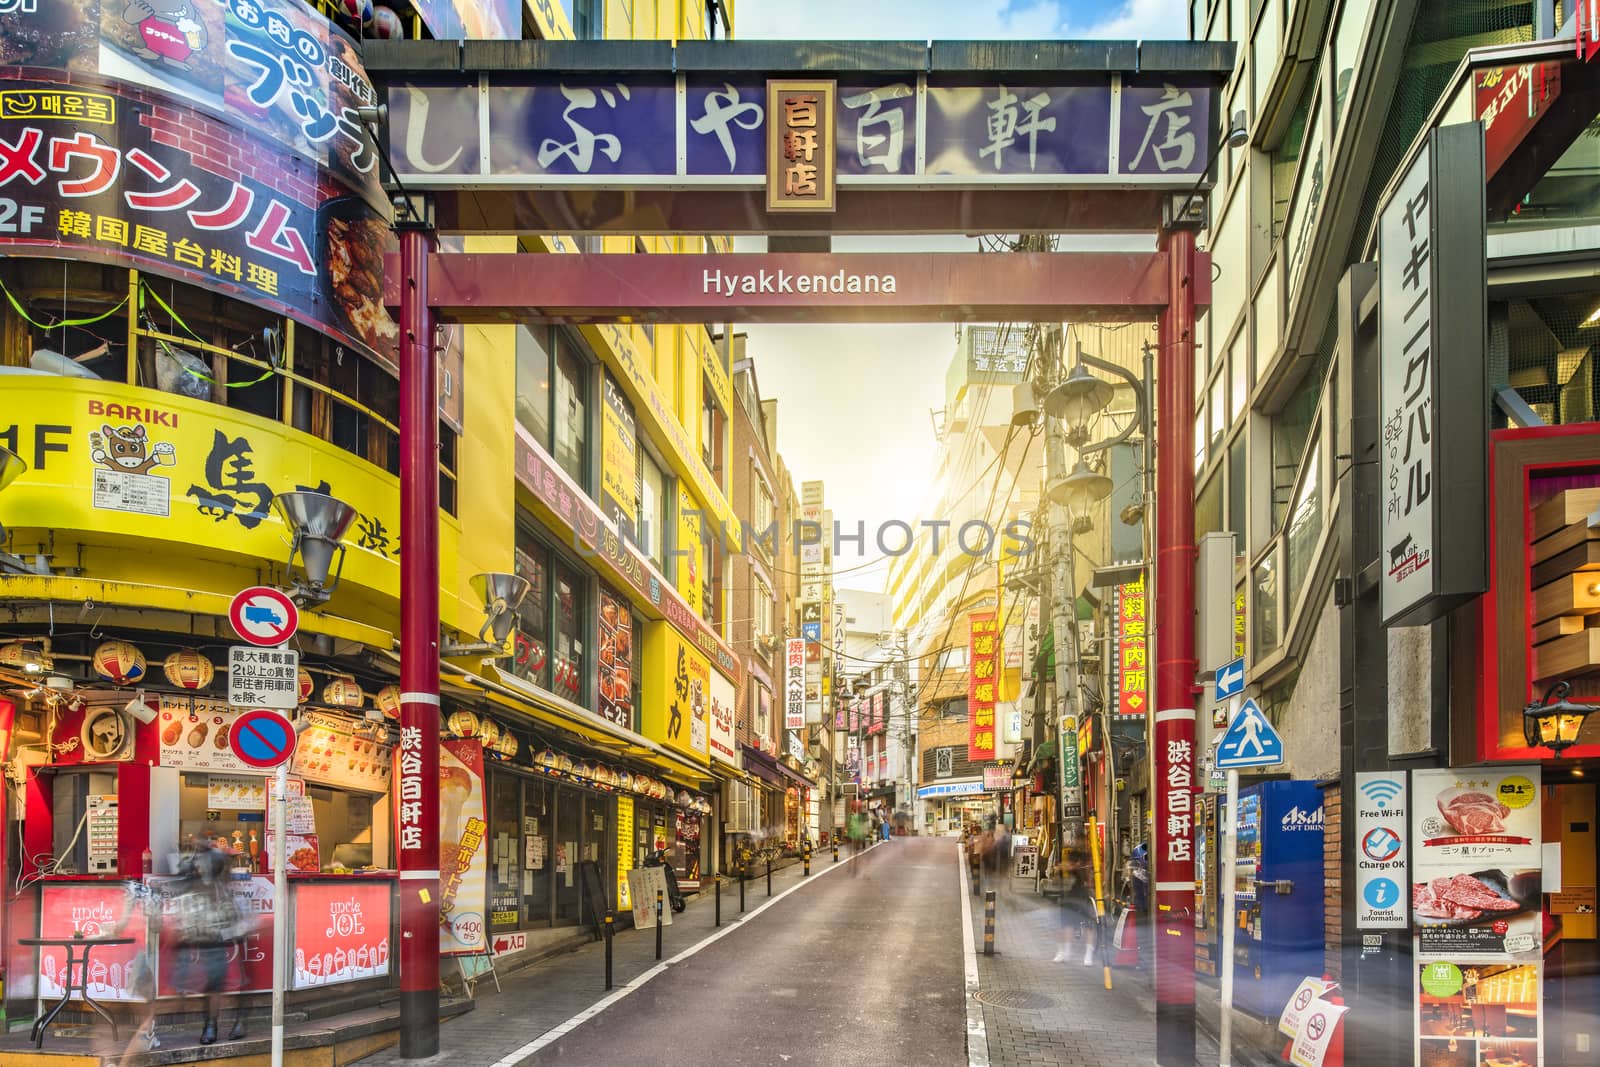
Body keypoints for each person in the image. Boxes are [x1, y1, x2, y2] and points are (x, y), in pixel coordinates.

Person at [171, 840, 251, 1044]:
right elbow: (181, 876)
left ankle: (228, 1022)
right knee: (213, 983)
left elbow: (223, 867)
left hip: (221, 933)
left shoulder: (219, 876)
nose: (199, 866)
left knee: (228, 981)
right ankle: (213, 1023)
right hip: (202, 933)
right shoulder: (192, 870)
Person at [1053, 846, 1100, 965]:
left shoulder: (1085, 869)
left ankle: (1087, 955)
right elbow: (1056, 882)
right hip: (1069, 899)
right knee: (1066, 925)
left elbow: (1089, 879)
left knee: (1087, 926)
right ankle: (1065, 952)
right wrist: (1059, 871)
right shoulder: (1066, 872)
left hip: (1085, 898)